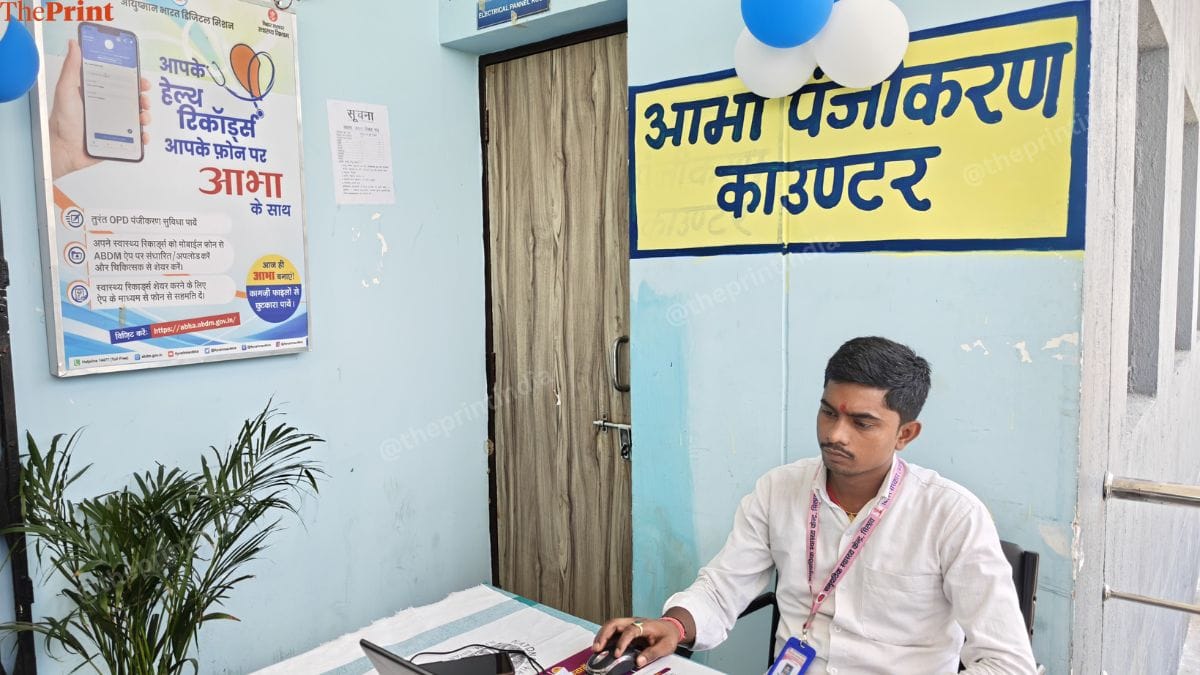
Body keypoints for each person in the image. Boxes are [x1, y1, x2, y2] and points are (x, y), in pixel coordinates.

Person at [593, 337, 1037, 674]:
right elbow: (721, 587)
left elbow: (1005, 661)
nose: (835, 434)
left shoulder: (952, 516)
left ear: (905, 434)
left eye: (862, 422)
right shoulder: (779, 489)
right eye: (829, 412)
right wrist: (675, 625)